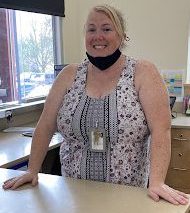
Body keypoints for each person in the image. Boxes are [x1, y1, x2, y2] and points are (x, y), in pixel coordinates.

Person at [2, 4, 189, 205]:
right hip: (72, 194)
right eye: (91, 29)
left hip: (127, 196)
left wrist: (157, 181)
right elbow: (45, 125)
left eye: (106, 29)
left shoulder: (142, 72)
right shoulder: (69, 75)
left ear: (122, 35)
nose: (98, 36)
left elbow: (161, 130)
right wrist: (32, 170)